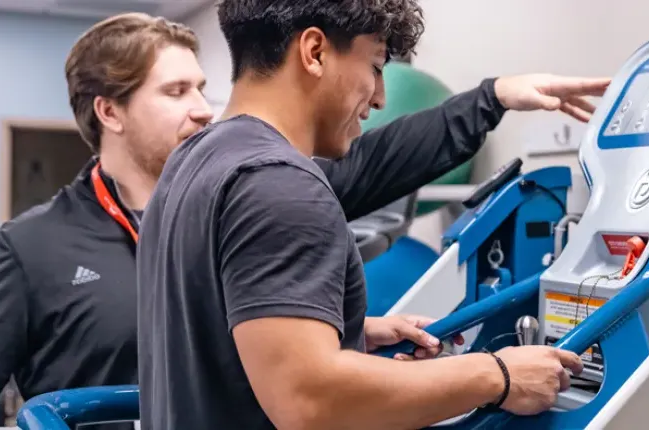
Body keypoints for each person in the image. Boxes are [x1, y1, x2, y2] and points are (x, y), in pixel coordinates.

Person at [135, 1, 611, 429]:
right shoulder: (278, 185)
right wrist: (499, 375)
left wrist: (343, 332)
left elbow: (217, 333)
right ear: (315, 52)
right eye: (375, 66)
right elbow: (310, 399)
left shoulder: (196, 161)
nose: (381, 96)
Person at [0, 13, 212, 430]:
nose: (203, 110)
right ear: (110, 112)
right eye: (177, 92)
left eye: (201, 89)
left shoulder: (233, 217)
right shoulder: (32, 246)